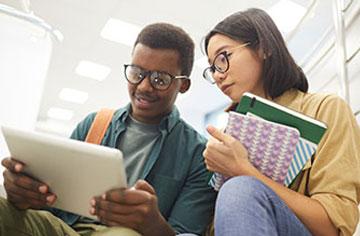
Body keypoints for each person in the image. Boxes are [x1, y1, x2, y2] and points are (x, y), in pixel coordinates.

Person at [0, 23, 216, 236]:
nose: (143, 87)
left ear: (184, 85)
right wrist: (23, 193)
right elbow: (50, 204)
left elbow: (185, 232)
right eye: (137, 73)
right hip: (64, 227)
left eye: (160, 80)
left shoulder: (199, 154)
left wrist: (153, 225)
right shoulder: (94, 124)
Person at [182, 8, 360, 236]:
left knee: (240, 189)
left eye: (223, 58)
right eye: (213, 68)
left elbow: (332, 227)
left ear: (264, 48)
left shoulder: (325, 109)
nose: (217, 75)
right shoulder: (229, 134)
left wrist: (244, 171)